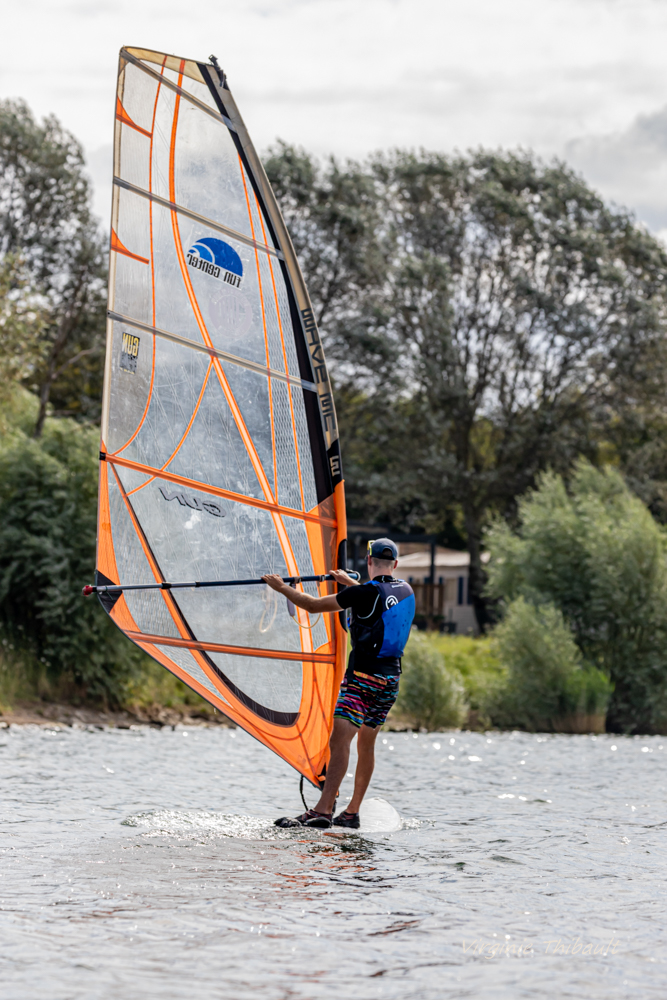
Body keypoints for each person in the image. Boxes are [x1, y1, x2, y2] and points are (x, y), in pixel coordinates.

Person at [261, 538, 415, 830]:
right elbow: (378, 601)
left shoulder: (363, 593)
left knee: (340, 741)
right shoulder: (406, 589)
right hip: (390, 681)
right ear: (394, 565)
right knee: (366, 744)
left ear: (368, 562)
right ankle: (351, 812)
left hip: (362, 679)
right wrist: (348, 585)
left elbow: (314, 605)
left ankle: (322, 809)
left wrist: (282, 587)